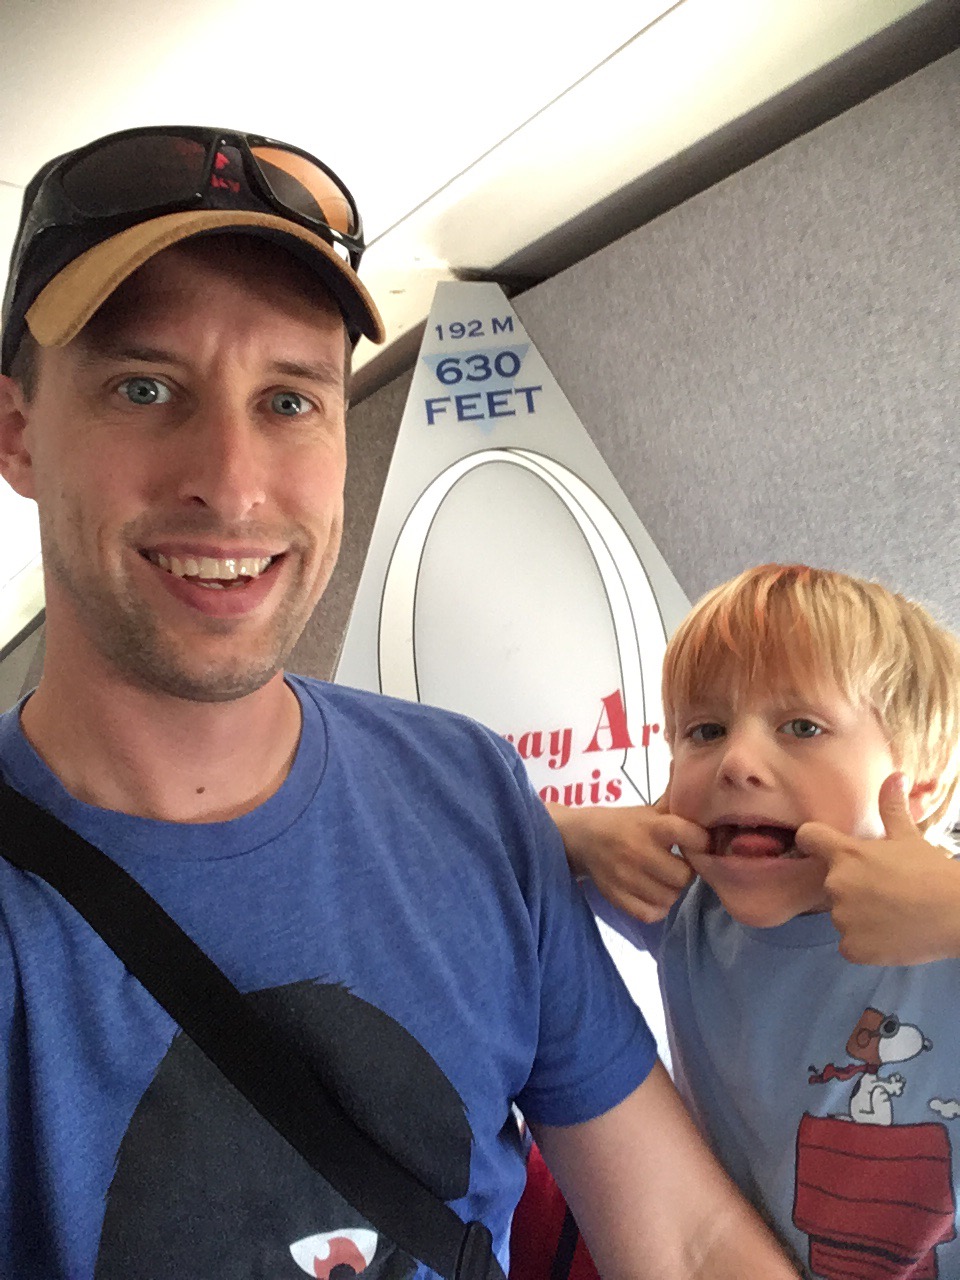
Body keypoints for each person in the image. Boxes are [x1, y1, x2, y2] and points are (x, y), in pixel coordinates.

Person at [0, 127, 797, 1280]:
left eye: (289, 400)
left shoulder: (469, 794)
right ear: (19, 433)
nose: (231, 483)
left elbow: (688, 1238)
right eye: (145, 386)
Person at [555, 563, 960, 1279]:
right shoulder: (685, 908)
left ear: (918, 788)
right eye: (705, 731)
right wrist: (582, 837)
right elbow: (472, 838)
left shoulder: (944, 918)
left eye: (802, 727)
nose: (737, 762)